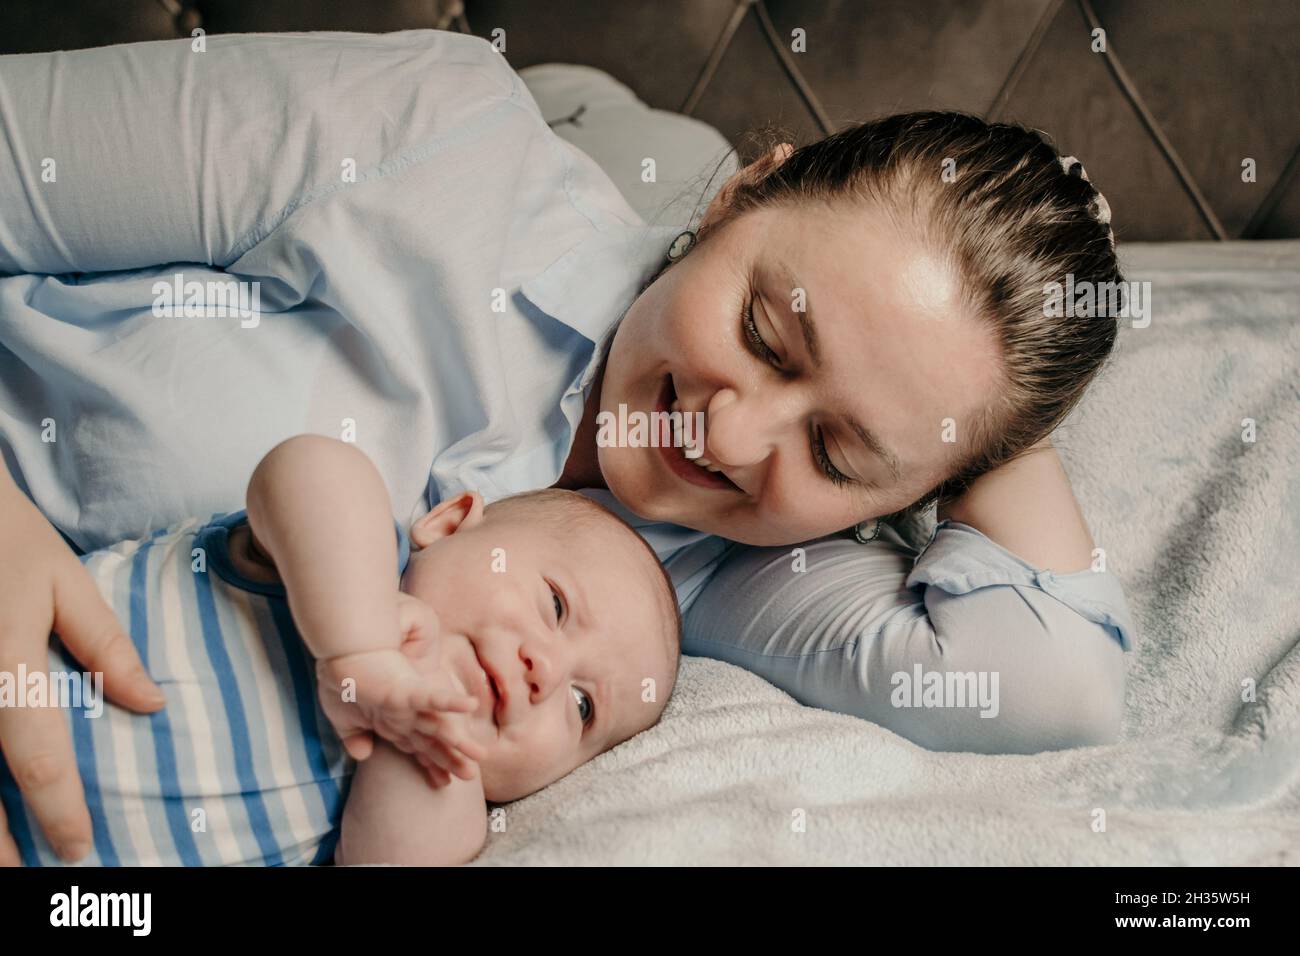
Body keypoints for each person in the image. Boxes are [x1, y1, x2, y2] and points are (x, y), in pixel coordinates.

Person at [0, 30, 1134, 864]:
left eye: (837, 452)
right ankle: (601, 116)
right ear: (743, 195)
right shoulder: (420, 130)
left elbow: (1060, 683)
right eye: (764, 332)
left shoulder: (731, 571)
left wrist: (987, 381)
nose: (728, 435)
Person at [0, 435, 680, 865]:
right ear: (447, 525)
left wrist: (421, 740)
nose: (548, 671)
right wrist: (358, 644)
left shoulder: (446, 798)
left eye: (584, 707)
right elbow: (308, 468)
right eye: (555, 606)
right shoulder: (351, 561)